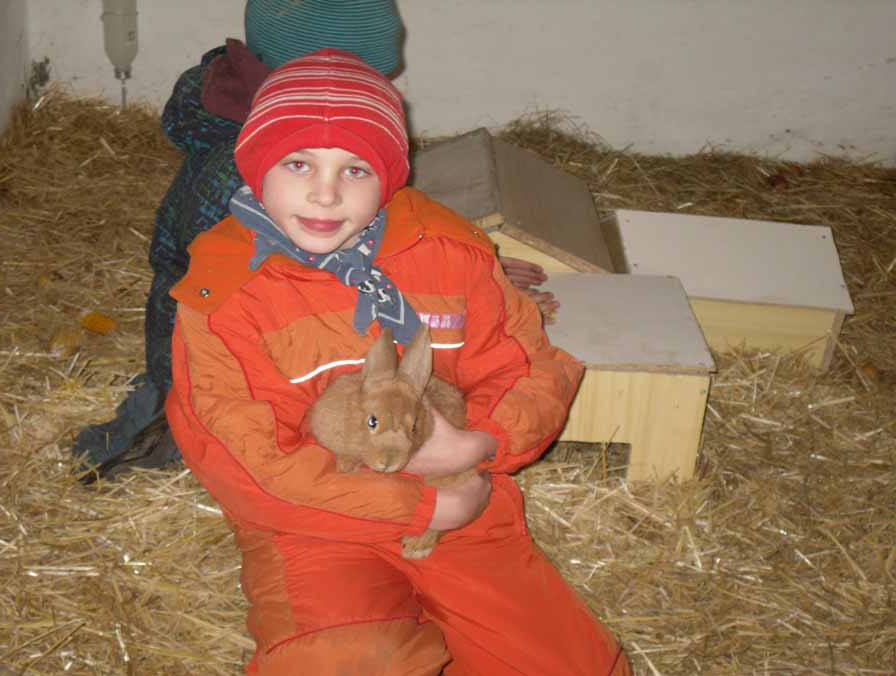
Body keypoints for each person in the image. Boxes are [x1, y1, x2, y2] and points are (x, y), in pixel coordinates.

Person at [165, 49, 630, 675]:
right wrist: (417, 509)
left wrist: (479, 444)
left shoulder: (450, 253)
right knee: (345, 662)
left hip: (459, 501)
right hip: (314, 522)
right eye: (298, 163)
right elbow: (246, 461)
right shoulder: (223, 294)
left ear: (388, 177)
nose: (325, 193)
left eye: (355, 169)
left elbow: (527, 366)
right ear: (255, 166)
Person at [72, 0, 558, 480]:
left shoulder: (280, 130)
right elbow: (288, 292)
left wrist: (466, 273)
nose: (327, 191)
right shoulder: (234, 179)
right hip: (214, 358)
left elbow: (369, 218)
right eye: (360, 74)